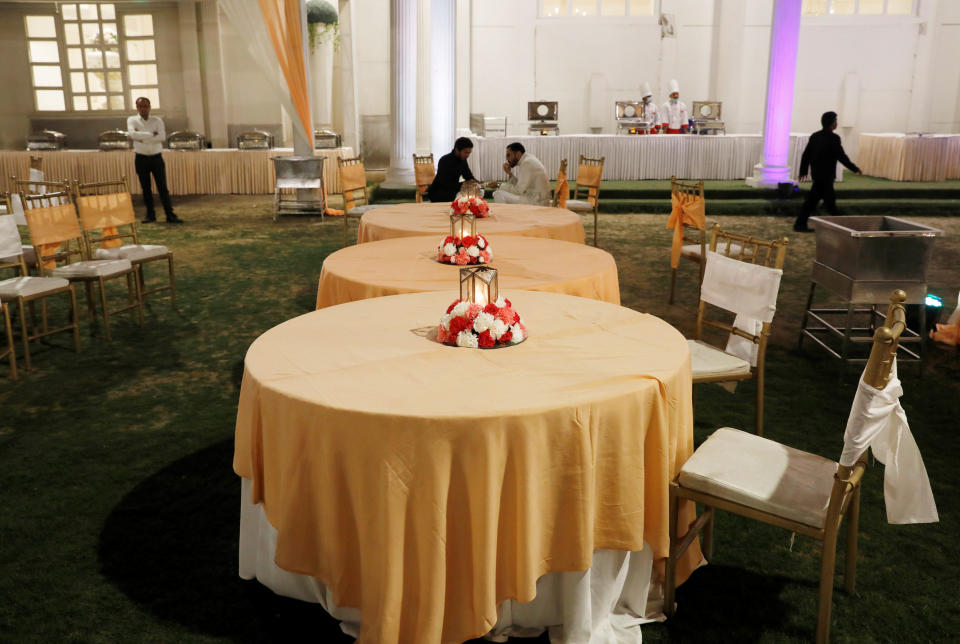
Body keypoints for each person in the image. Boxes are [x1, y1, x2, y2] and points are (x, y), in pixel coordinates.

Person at [794, 110, 861, 232]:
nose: (837, 123)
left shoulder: (815, 136)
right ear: (832, 123)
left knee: (818, 201)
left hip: (817, 174)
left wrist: (803, 170)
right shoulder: (834, 138)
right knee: (825, 203)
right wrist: (854, 168)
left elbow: (806, 155)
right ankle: (841, 228)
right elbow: (841, 156)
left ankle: (800, 224)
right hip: (826, 176)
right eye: (836, 120)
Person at [127, 96, 182, 224]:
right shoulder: (132, 120)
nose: (143, 108)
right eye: (140, 106)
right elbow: (132, 135)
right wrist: (152, 134)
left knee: (163, 187)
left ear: (150, 107)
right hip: (141, 158)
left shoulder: (157, 120)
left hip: (156, 158)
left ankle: (170, 214)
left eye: (145, 106)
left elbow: (162, 137)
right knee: (146, 188)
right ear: (137, 107)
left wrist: (142, 137)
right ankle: (150, 215)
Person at [428, 137, 476, 202]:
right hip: (439, 192)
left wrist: (482, 184)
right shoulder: (444, 160)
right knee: (463, 197)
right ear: (457, 150)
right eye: (465, 152)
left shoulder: (463, 160)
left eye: (469, 153)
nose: (467, 155)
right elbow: (445, 183)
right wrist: (464, 185)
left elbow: (469, 177)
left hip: (453, 190)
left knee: (476, 192)